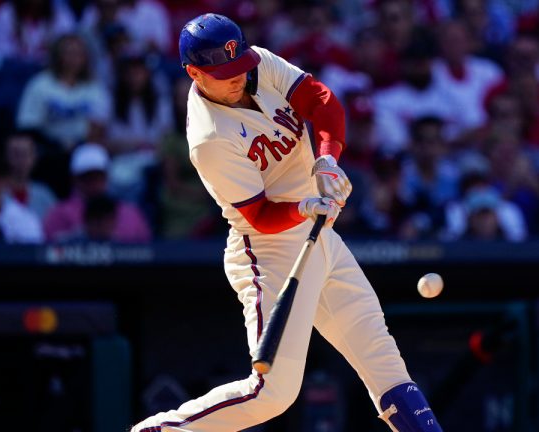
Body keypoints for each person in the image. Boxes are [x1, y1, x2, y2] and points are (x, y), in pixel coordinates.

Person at [129, 13, 442, 432]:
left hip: (320, 237)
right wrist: (303, 207)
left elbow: (321, 100)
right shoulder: (209, 138)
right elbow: (258, 214)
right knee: (271, 394)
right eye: (224, 73)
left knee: (385, 363)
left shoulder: (256, 64)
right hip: (268, 251)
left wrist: (327, 157)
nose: (238, 77)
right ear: (193, 73)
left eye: (238, 65)